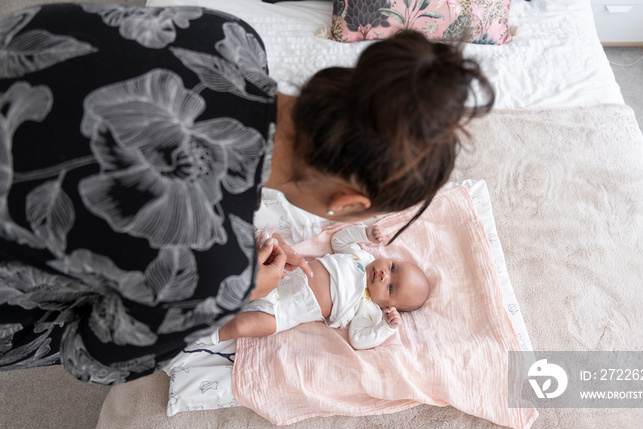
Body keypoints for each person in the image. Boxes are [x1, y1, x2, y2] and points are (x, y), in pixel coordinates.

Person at [0, 4, 493, 384]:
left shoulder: (227, 37)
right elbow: (87, 359)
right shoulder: (209, 274)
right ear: (346, 203)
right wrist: (230, 293)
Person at [214, 225, 429, 350]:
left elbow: (358, 339)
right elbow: (340, 240)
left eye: (390, 288)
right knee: (249, 261)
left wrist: (386, 328)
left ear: (387, 306)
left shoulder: (369, 310)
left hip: (285, 312)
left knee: (241, 327)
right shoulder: (363, 257)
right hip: (283, 274)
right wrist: (366, 235)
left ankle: (209, 333)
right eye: (392, 267)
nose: (384, 274)